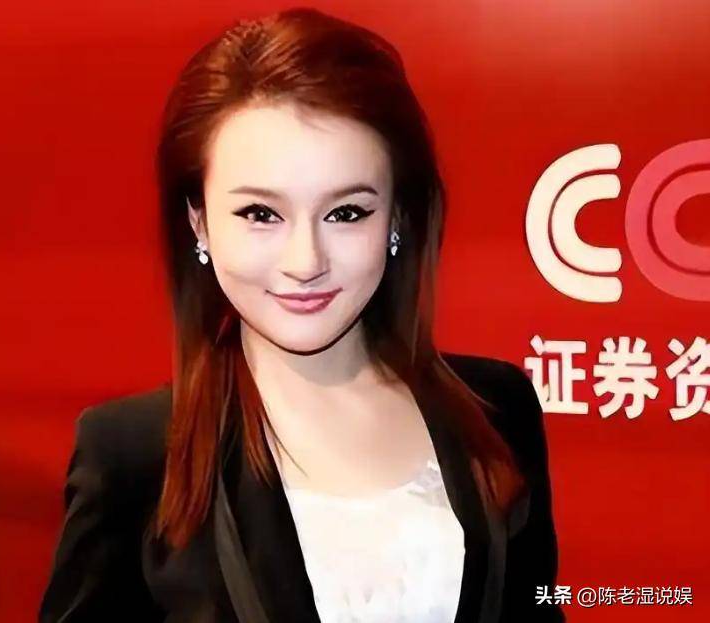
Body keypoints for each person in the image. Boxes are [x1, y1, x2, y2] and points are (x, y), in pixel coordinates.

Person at [38, 7, 565, 623]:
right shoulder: (132, 455)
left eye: (347, 213)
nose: (305, 261)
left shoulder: (496, 408)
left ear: (397, 217)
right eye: (260, 214)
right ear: (199, 222)